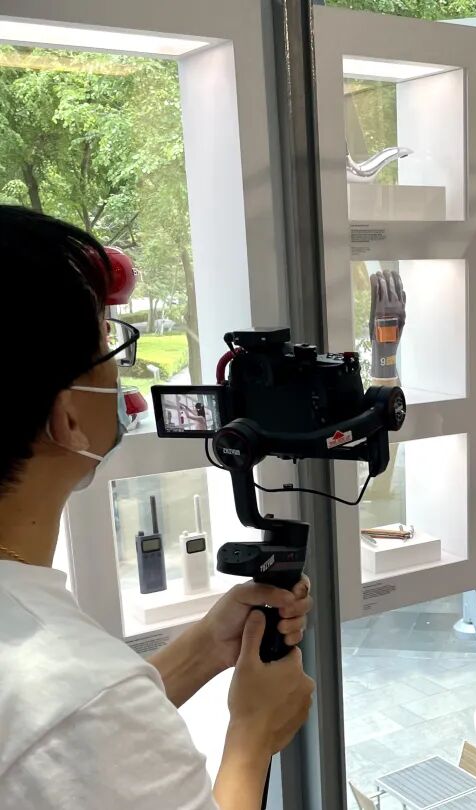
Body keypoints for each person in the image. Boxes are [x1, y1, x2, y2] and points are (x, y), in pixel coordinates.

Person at [0, 206, 315, 810]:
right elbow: (80, 719)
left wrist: (206, 646)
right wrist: (253, 737)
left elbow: (69, 744)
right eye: (108, 347)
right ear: (67, 419)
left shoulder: (71, 692)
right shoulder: (70, 685)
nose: (120, 376)